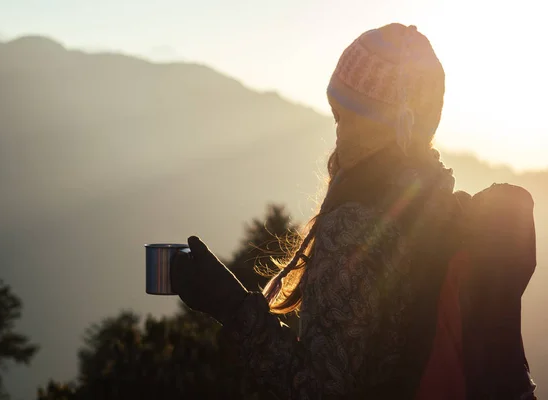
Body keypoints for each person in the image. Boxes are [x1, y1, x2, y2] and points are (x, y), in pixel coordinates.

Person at [171, 23, 536, 399]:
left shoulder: (356, 225)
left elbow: (317, 389)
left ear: (389, 124)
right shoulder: (441, 204)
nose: (338, 132)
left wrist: (228, 305)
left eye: (343, 116)